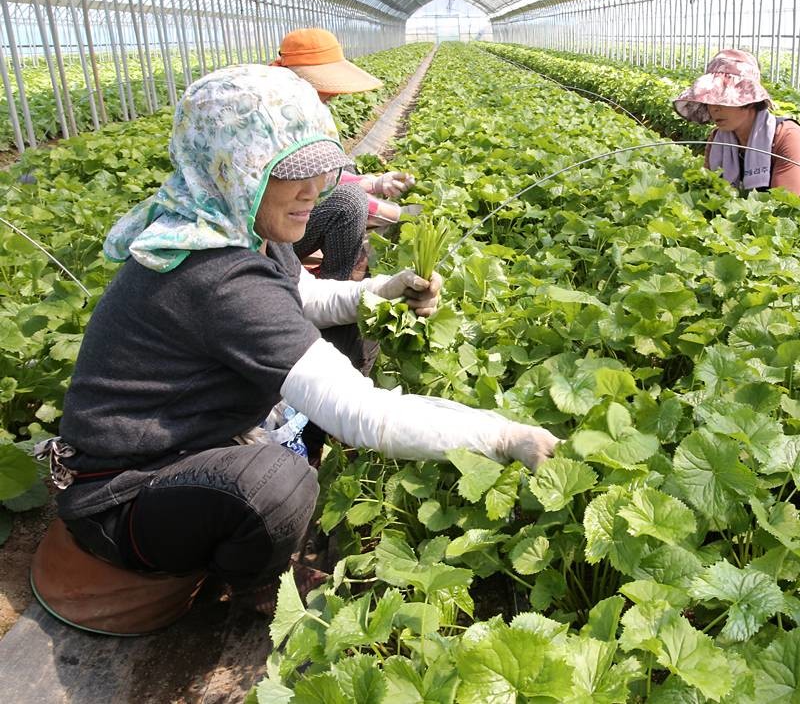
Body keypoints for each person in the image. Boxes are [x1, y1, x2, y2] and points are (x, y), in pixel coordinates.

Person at [35, 65, 559, 632]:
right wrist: (501, 436)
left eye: (319, 168)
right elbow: (365, 415)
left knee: (346, 337)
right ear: (238, 171)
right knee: (273, 488)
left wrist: (378, 292)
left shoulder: (235, 226)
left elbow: (302, 298)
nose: (314, 190)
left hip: (194, 442)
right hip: (124, 495)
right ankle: (259, 586)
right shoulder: (216, 276)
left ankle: (257, 485)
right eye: (289, 173)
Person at [673, 49, 800, 239]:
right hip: (778, 221)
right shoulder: (718, 139)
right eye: (710, 99)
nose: (714, 109)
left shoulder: (787, 135)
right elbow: (713, 190)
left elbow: (783, 205)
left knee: (798, 190)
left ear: (748, 101)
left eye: (723, 100)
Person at [271, 27, 414, 283]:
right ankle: (335, 281)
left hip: (284, 221)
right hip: (270, 234)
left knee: (346, 169)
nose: (334, 93)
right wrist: (389, 210)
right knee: (349, 202)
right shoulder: (279, 119)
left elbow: (329, 175)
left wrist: (373, 183)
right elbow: (322, 188)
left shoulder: (303, 107)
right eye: (326, 85)